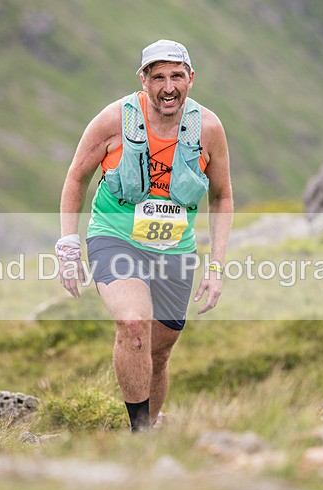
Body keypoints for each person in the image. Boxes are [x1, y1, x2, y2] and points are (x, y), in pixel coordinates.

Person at [56, 39, 233, 432]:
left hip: (175, 251)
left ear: (191, 78)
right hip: (115, 237)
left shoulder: (208, 129)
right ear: (143, 80)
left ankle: (147, 435)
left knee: (158, 351)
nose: (168, 87)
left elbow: (221, 196)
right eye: (158, 77)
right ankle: (138, 436)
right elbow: (76, 177)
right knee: (134, 324)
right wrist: (68, 245)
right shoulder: (113, 120)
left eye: (176, 76)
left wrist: (216, 266)